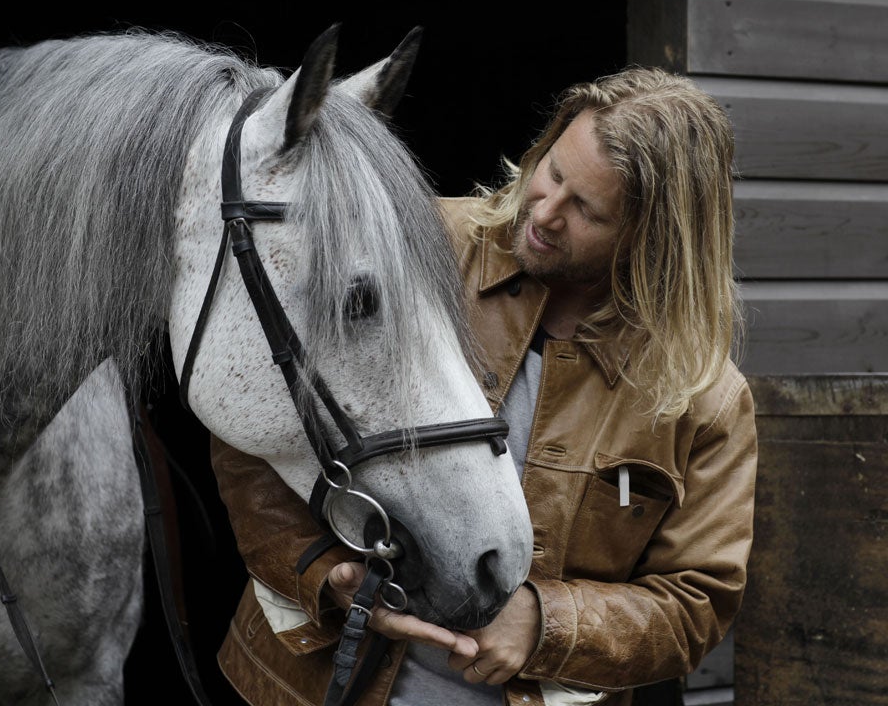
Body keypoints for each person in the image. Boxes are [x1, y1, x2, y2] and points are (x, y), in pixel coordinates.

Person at [208, 66, 758, 706]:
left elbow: (695, 603)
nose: (547, 212)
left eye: (587, 209)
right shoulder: (408, 247)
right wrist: (324, 572)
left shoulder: (701, 396)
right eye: (553, 172)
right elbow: (252, 411)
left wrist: (547, 624)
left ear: (655, 237)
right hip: (300, 687)